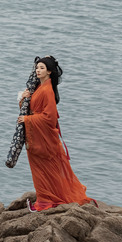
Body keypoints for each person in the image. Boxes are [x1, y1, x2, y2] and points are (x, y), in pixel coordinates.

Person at [16, 55, 94, 212]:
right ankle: (47, 198)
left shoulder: (47, 90)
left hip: (42, 137)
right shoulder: (39, 87)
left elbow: (49, 118)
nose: (38, 70)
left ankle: (45, 201)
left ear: (49, 71)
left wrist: (28, 119)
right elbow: (32, 109)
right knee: (41, 169)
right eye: (37, 68)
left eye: (42, 68)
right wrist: (23, 99)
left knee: (44, 170)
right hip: (37, 134)